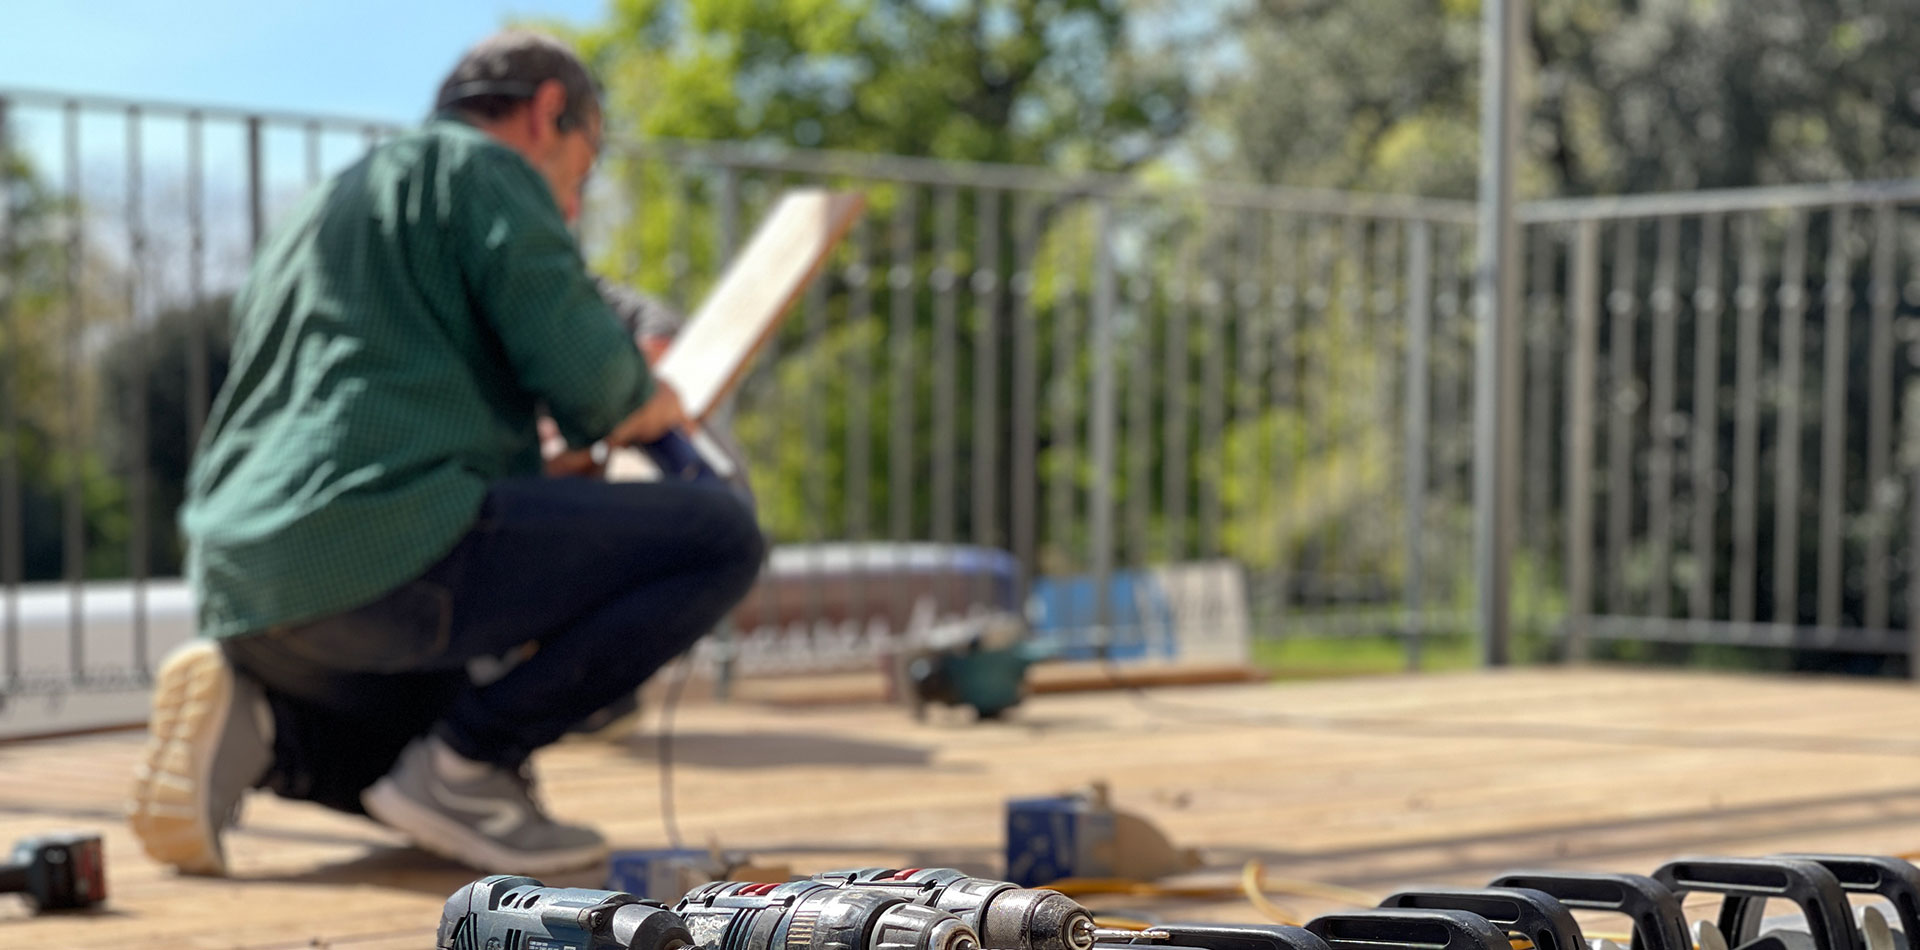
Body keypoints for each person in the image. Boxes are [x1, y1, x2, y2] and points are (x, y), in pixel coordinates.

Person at [126, 30, 766, 877]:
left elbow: (370, 392)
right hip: (384, 551)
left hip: (246, 579)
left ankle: (269, 730)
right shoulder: (485, 169)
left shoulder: (333, 200)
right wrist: (654, 398)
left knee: (404, 761)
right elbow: (597, 384)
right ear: (547, 112)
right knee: (718, 537)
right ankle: (470, 767)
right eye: (586, 162)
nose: (573, 203)